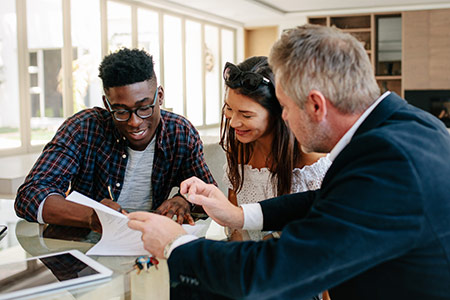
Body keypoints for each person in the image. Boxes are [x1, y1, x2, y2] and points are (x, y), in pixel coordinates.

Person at [128, 25, 450, 300]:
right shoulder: (404, 125)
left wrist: (175, 244)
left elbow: (273, 272)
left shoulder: (389, 165)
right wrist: (239, 215)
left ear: (315, 105)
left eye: (283, 106)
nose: (283, 117)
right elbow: (326, 201)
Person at [15, 48, 215, 232]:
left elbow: (208, 193)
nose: (135, 122)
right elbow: (30, 195)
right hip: (87, 248)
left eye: (144, 107)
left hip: (150, 243)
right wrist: (92, 216)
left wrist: (184, 200)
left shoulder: (180, 132)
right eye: (120, 111)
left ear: (160, 96)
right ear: (106, 104)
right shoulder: (83, 129)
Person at [220, 56, 330, 240]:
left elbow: (321, 233)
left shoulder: (310, 162)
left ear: (280, 113)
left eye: (246, 115)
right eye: (229, 108)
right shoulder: (240, 150)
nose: (234, 123)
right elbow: (236, 228)